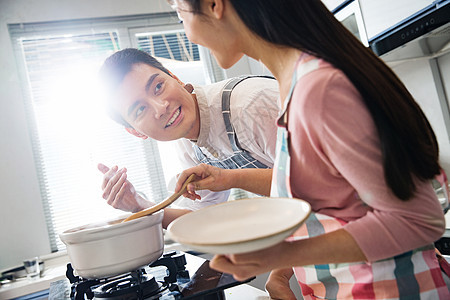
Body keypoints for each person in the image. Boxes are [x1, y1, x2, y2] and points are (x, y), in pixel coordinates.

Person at [169, 0, 449, 298]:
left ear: (214, 5)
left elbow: (417, 220)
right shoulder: (293, 83)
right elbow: (332, 202)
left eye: (180, 13)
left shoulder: (318, 88)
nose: (188, 33)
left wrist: (281, 256)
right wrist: (281, 269)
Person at [97, 48, 279, 228]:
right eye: (140, 110)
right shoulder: (186, 141)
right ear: (136, 132)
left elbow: (306, 179)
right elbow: (201, 217)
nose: (161, 108)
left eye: (158, 87)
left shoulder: (251, 105)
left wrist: (231, 178)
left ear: (175, 78)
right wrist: (139, 204)